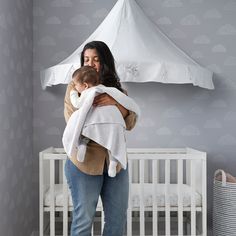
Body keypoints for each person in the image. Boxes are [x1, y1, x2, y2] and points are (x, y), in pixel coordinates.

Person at [64, 41, 137, 236]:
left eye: (96, 59)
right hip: (84, 161)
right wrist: (89, 100)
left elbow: (130, 122)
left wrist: (115, 103)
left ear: (104, 62)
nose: (90, 63)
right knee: (84, 219)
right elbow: (72, 119)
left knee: (117, 219)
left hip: (116, 162)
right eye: (86, 59)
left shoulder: (116, 91)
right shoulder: (76, 88)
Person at [66, 65, 139, 177]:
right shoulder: (109, 90)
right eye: (86, 59)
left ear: (85, 85)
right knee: (115, 141)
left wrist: (73, 93)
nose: (75, 87)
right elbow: (127, 101)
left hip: (95, 123)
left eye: (76, 86)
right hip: (113, 122)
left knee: (83, 126)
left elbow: (77, 103)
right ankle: (113, 162)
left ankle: (82, 144)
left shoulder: (87, 92)